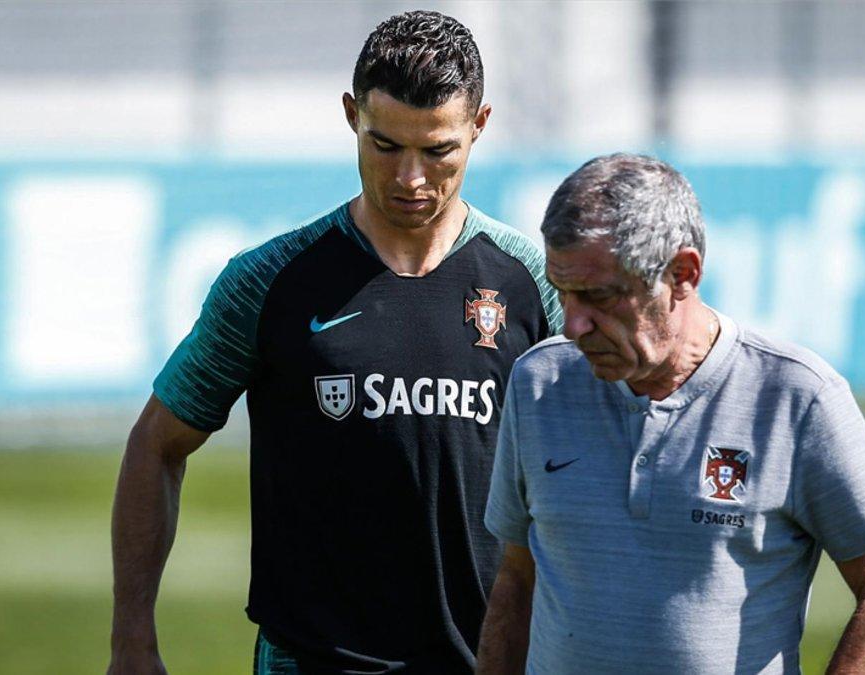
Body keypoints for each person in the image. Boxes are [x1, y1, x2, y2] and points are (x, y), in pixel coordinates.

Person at [109, 11, 562, 674]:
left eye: (438, 151)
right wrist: (131, 642)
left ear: (480, 126)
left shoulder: (530, 284)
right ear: (351, 115)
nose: (411, 178)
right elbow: (156, 444)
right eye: (386, 145)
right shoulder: (269, 281)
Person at [477, 154, 865, 674]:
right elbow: (516, 581)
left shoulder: (799, 397)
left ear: (682, 273)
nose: (573, 324)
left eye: (598, 296)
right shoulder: (537, 383)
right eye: (564, 293)